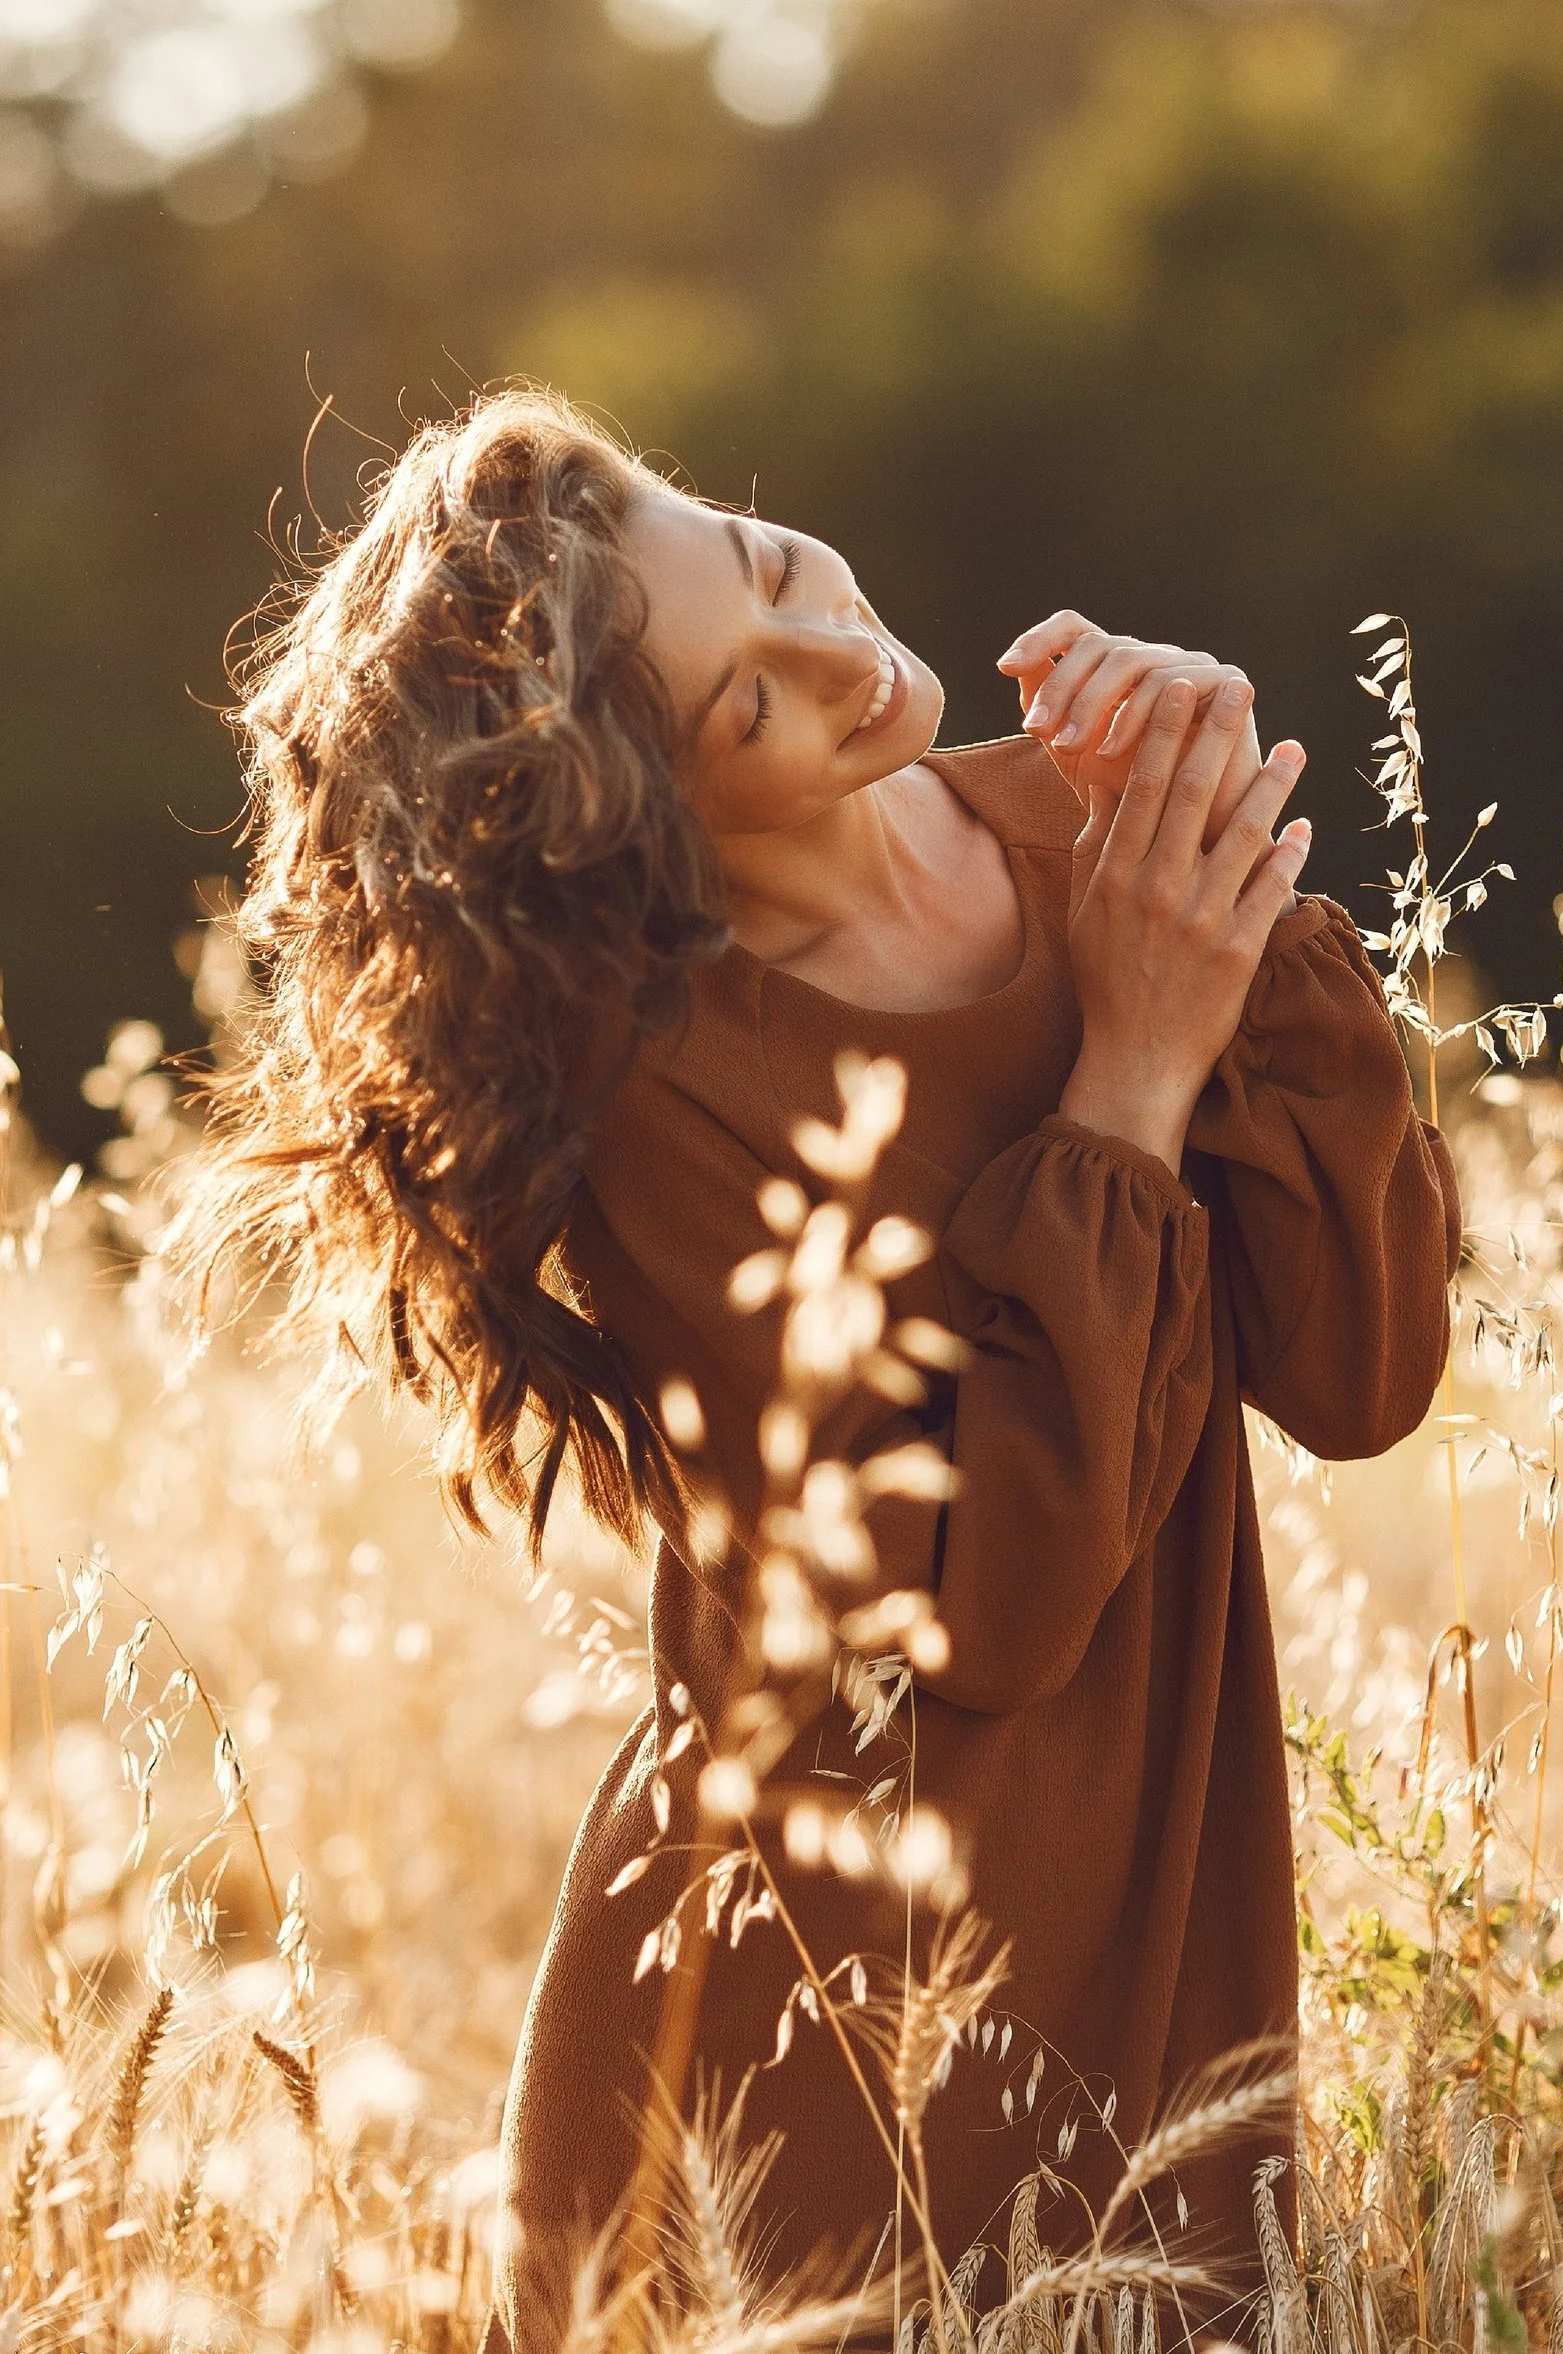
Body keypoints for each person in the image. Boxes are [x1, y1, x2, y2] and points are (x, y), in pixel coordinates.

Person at [172, 387, 1460, 2350]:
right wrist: (1124, 1077)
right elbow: (989, 1614)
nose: (838, 654)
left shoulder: (1073, 828)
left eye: (768, 565)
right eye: (750, 705)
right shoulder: (678, 1095)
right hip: (814, 2025)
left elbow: (1364, 1372)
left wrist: (1208, 851)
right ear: (643, 830)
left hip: (1160, 1918)